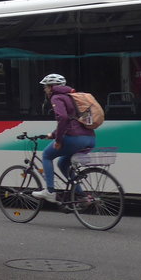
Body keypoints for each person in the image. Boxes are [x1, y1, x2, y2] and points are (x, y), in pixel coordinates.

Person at [31, 73, 95, 201]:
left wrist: (58, 140)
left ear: (51, 87)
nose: (45, 89)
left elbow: (63, 118)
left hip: (74, 138)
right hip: (89, 138)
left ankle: (49, 191)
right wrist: (53, 135)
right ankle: (81, 196)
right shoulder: (72, 96)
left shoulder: (57, 97)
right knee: (63, 163)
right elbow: (72, 120)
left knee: (47, 155)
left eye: (45, 87)